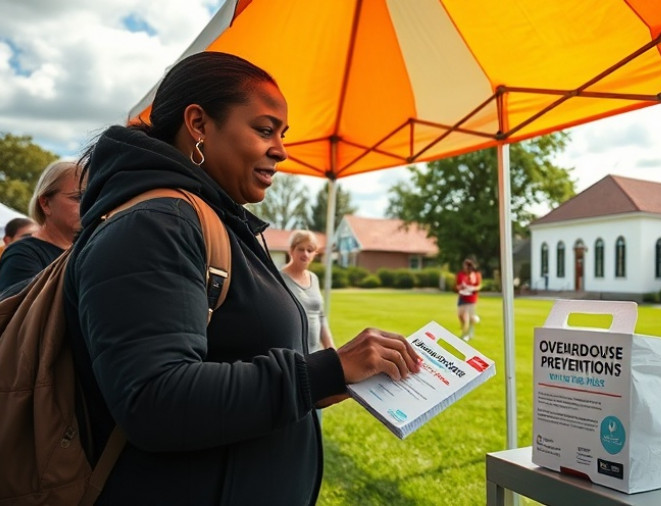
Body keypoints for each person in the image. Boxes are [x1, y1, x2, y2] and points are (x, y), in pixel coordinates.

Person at [65, 51, 419, 505]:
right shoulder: (157, 223)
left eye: (282, 134)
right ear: (198, 124)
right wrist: (327, 370)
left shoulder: (211, 217)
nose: (281, 150)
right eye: (264, 129)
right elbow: (155, 401)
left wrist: (320, 385)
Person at [0, 161, 81, 291]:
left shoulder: (88, 248)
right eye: (78, 197)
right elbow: (19, 307)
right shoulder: (22, 253)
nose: (89, 205)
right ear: (45, 203)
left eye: (93, 198)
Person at [281, 230, 335, 353]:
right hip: (290, 357)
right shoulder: (278, 278)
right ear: (291, 250)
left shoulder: (314, 278)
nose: (305, 253)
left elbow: (321, 317)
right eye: (301, 249)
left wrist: (332, 350)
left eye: (310, 250)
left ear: (314, 254)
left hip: (315, 354)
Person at [456, 258, 482, 341]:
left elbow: (479, 286)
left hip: (471, 298)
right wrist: (460, 287)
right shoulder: (460, 274)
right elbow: (457, 285)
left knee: (466, 317)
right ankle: (470, 327)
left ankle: (465, 334)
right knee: (460, 315)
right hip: (462, 297)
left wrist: (472, 288)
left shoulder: (476, 275)